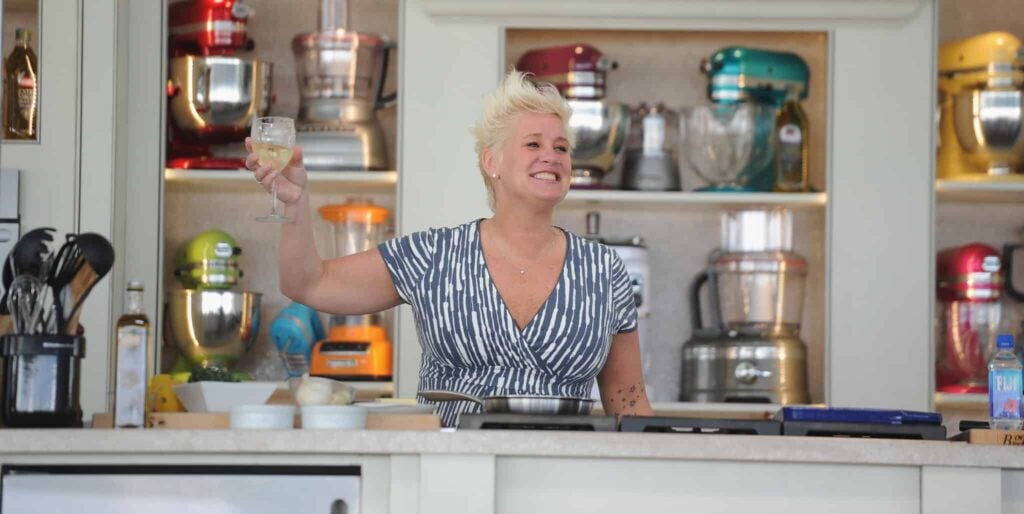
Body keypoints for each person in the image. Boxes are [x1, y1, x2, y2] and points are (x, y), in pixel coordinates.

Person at [245, 70, 653, 427]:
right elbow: (308, 283)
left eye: (561, 147)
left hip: (566, 474)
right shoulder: (435, 256)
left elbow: (628, 400)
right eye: (533, 144)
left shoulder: (604, 270)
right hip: (450, 470)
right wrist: (296, 204)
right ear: (492, 161)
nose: (552, 156)